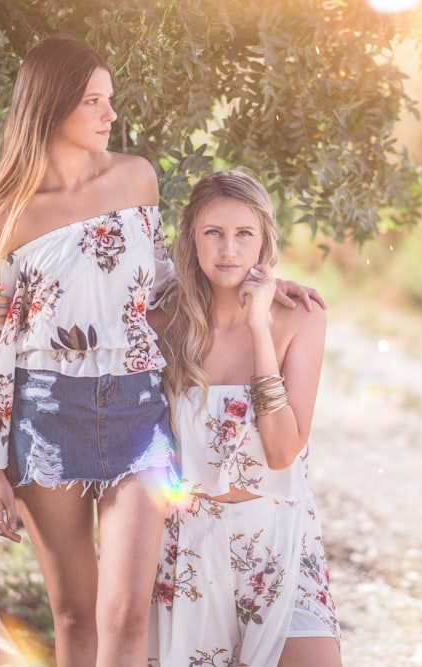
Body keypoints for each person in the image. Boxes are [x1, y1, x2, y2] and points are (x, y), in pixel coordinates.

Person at [0, 36, 322, 666]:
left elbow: (159, 285)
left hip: (137, 411)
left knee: (128, 616)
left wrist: (255, 282)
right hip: (46, 415)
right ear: (50, 109)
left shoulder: (136, 178)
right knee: (75, 615)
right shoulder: (5, 217)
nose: (110, 115)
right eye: (93, 102)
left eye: (110, 100)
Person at [147, 169, 341, 667]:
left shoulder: (300, 317)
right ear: (192, 236)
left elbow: (280, 451)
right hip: (190, 544)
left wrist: (259, 327)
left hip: (278, 533)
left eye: (243, 234)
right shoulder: (164, 321)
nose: (228, 249)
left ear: (263, 241)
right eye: (213, 232)